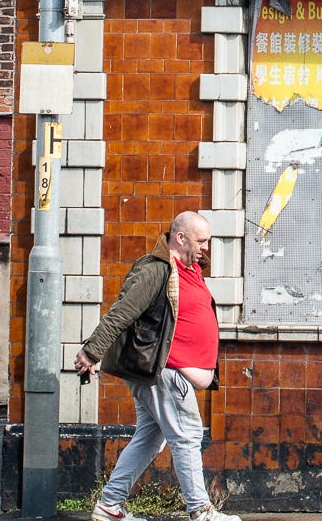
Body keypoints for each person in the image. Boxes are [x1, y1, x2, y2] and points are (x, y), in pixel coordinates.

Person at [74, 211, 237, 521]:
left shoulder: (191, 269)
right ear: (180, 238)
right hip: (165, 371)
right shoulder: (156, 270)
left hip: (171, 373)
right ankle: (201, 511)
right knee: (187, 436)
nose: (206, 247)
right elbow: (122, 312)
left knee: (151, 437)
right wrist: (92, 352)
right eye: (201, 241)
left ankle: (109, 506)